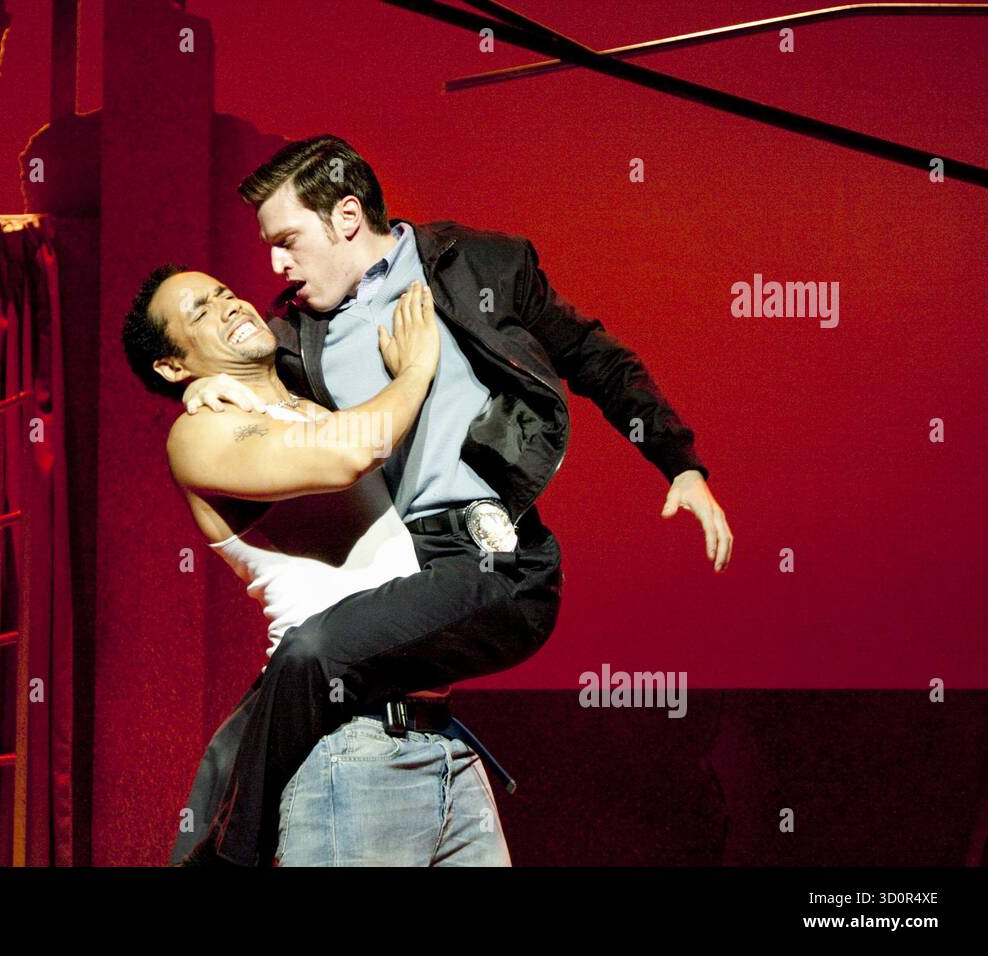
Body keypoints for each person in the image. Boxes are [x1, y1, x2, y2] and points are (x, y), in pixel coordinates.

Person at [174, 135, 734, 866]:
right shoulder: (297, 336)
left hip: (502, 559)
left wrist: (679, 463)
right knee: (294, 677)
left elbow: (595, 355)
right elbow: (248, 392)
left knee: (312, 653)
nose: (275, 264)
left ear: (347, 218)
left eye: (287, 240)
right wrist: (196, 389)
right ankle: (222, 838)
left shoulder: (482, 266)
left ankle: (229, 858)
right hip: (420, 568)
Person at [124, 268, 514, 865]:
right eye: (201, 312)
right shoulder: (199, 434)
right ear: (173, 368)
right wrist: (414, 369)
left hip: (445, 740)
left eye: (226, 293)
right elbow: (351, 453)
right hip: (347, 748)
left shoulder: (320, 400)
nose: (229, 306)